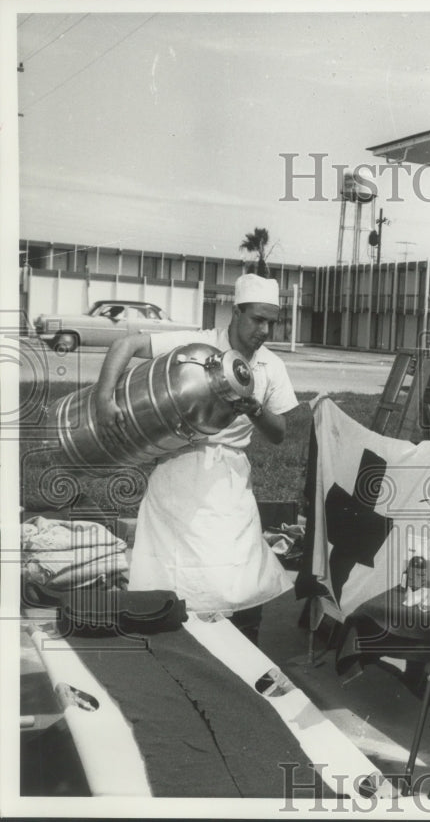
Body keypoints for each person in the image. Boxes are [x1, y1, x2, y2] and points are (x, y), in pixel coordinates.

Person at [94, 273, 298, 643]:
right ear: (235, 313)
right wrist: (103, 399)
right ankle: (170, 650)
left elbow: (280, 432)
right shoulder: (198, 345)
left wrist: (254, 410)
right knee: (170, 572)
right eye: (257, 319)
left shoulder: (271, 366)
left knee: (239, 574)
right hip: (179, 467)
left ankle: (244, 654)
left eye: (272, 321)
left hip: (230, 478)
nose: (265, 330)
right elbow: (125, 345)